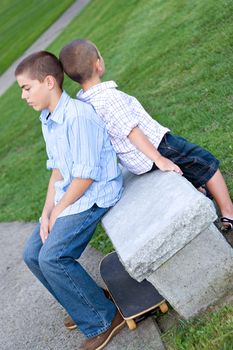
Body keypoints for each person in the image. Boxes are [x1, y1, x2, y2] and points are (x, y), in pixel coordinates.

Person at [59, 39, 233, 234]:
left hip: (134, 160)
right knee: (205, 161)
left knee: (186, 164)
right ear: (98, 64)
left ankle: (199, 191)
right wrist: (159, 159)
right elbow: (131, 130)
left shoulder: (84, 103)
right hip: (156, 146)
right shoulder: (109, 98)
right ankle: (228, 212)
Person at [15, 51, 125, 350]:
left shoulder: (78, 116)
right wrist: (46, 213)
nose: (23, 96)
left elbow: (86, 177)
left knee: (52, 257)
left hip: (95, 195)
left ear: (48, 82)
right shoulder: (48, 118)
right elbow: (58, 173)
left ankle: (103, 318)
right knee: (32, 254)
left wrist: (59, 212)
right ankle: (87, 302)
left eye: (26, 88)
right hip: (72, 197)